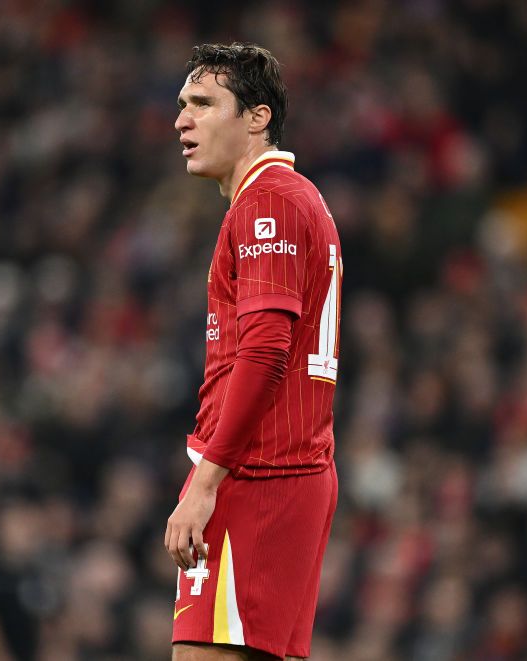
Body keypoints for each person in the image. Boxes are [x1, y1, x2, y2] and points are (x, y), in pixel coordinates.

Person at [165, 43, 342, 661]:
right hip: (280, 473)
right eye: (182, 106)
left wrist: (205, 481)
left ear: (256, 117)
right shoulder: (287, 200)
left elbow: (266, 350)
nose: (182, 120)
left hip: (260, 476)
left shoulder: (270, 201)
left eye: (203, 104)